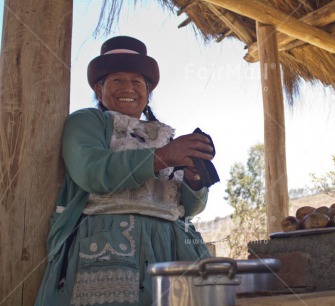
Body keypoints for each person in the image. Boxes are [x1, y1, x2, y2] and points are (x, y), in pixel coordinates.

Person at [35, 36, 215, 306]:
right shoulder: (87, 122)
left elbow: (189, 208)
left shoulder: (164, 134)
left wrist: (194, 178)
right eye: (117, 80)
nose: (128, 88)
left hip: (173, 246)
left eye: (137, 81)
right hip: (108, 241)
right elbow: (91, 171)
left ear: (147, 90)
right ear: (99, 89)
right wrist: (164, 157)